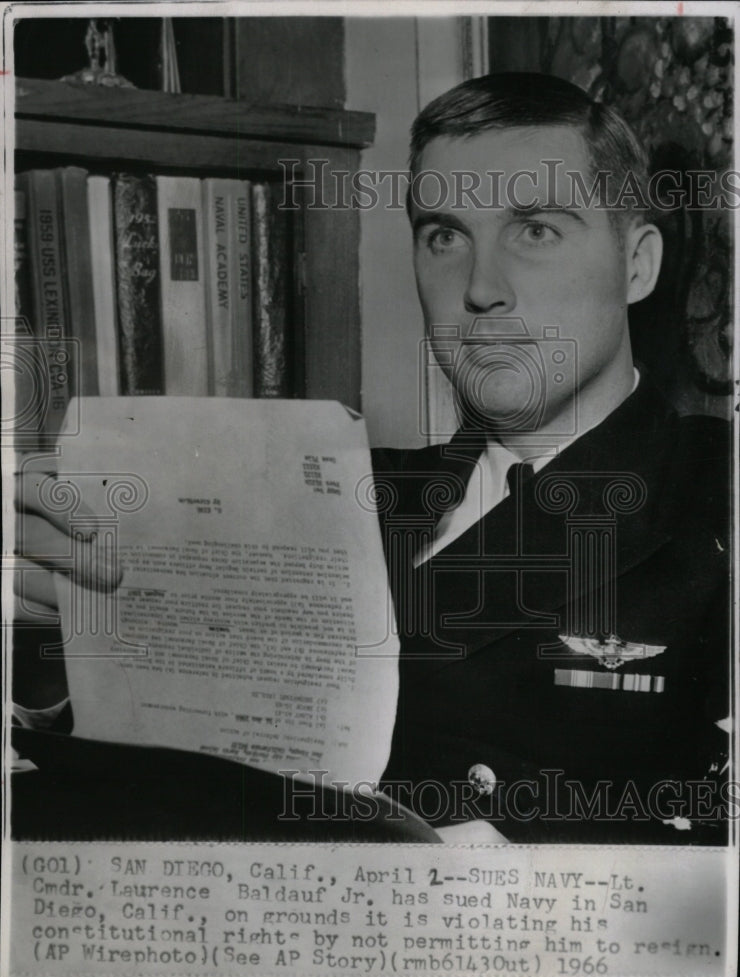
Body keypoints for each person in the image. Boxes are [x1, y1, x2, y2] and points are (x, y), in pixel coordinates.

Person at [12, 73, 731, 843]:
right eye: (444, 236)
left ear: (638, 264)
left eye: (536, 230)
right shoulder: (333, 488)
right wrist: (59, 650)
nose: (482, 289)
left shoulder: (716, 495)